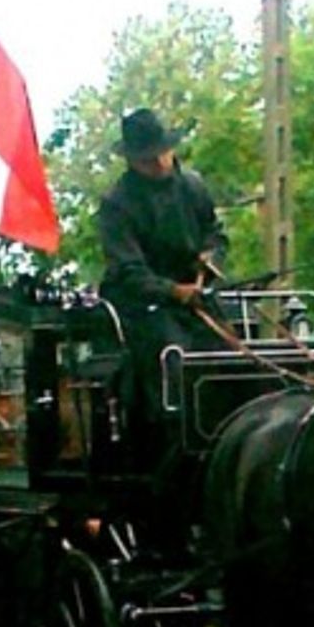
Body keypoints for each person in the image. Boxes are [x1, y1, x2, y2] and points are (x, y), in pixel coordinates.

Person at [97, 108, 228, 478]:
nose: (158, 163)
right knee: (174, 358)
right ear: (132, 160)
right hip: (143, 305)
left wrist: (210, 259)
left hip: (197, 295)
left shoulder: (194, 187)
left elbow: (215, 233)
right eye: (147, 158)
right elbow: (128, 270)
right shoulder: (117, 204)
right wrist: (175, 292)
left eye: (162, 153)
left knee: (234, 344)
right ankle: (172, 448)